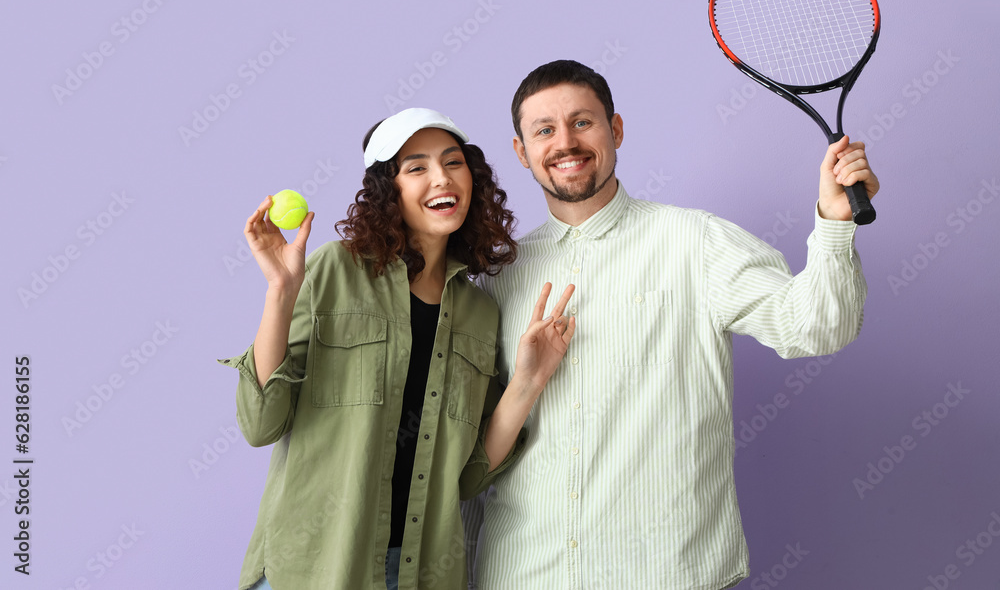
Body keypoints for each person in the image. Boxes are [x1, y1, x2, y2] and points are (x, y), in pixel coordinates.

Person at [465, 60, 879, 589]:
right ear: (522, 152)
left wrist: (834, 222)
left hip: (665, 574)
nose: (565, 142)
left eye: (582, 122)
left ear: (615, 130)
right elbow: (471, 459)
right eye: (544, 130)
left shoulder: (697, 243)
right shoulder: (497, 277)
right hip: (521, 575)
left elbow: (817, 328)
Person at [219, 107, 576, 590]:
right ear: (390, 191)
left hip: (419, 572)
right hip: (313, 568)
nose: (441, 179)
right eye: (416, 168)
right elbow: (260, 423)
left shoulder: (478, 311)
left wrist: (530, 381)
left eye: (453, 163)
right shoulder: (333, 271)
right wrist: (281, 291)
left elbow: (468, 478)